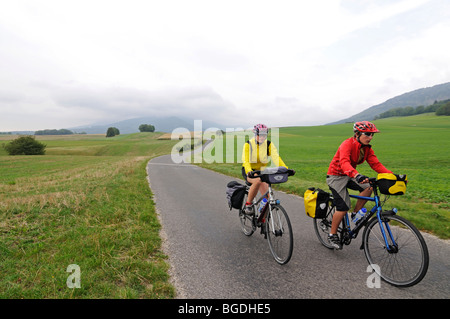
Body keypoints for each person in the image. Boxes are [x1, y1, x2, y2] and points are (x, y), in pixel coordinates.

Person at [326, 121, 393, 249]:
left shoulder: (367, 148)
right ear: (357, 134)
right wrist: (357, 175)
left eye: (372, 134)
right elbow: (344, 162)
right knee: (343, 207)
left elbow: (376, 164)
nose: (371, 137)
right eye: (367, 134)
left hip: (350, 175)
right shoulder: (347, 144)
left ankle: (356, 214)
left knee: (370, 186)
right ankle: (332, 234)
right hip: (336, 176)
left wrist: (392, 176)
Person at [242, 124, 288, 215]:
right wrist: (249, 171)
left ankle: (262, 219)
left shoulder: (268, 144)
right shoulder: (248, 144)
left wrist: (285, 169)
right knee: (257, 181)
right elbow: (245, 161)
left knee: (267, 197)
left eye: (264, 135)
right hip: (250, 170)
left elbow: (276, 157)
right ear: (255, 134)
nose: (262, 137)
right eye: (260, 135)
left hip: (262, 171)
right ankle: (248, 204)